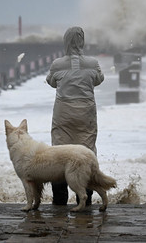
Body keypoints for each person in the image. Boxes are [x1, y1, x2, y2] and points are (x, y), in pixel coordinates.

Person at [46, 26, 105, 205]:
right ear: (82, 41)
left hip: (63, 113)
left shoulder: (57, 64)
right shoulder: (93, 62)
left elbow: (51, 82)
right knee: (86, 152)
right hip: (85, 113)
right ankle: (84, 200)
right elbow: (99, 79)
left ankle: (60, 199)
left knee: (59, 153)